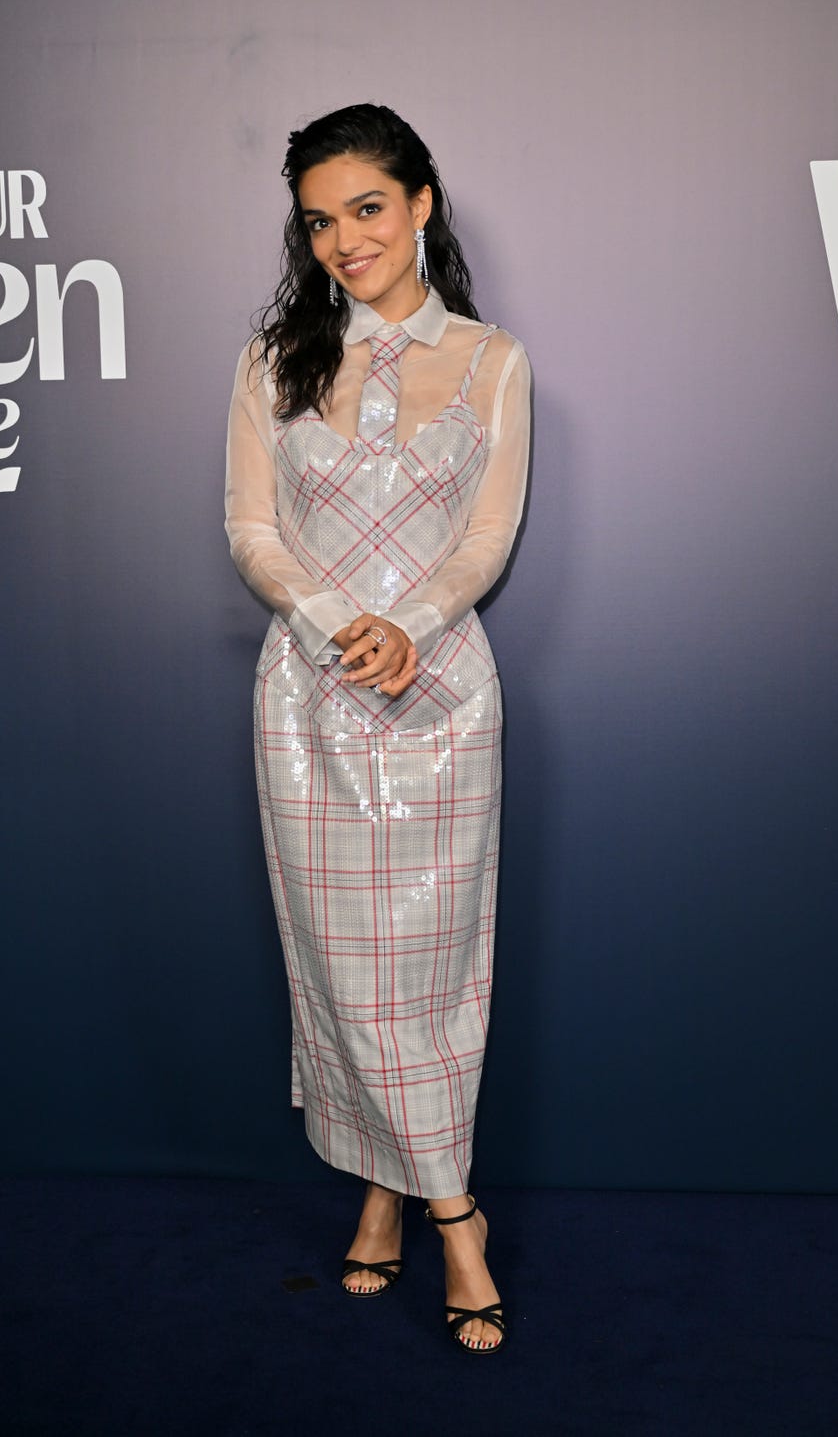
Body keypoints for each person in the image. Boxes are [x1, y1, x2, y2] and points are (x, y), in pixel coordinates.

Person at [225, 104, 530, 1354]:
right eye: (318, 220)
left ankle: (405, 1193)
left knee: (436, 966)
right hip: (308, 700)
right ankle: (432, 1202)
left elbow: (483, 538)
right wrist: (334, 623)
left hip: (443, 698)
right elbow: (251, 530)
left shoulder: (493, 360)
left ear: (419, 202)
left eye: (364, 207)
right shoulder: (269, 359)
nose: (343, 239)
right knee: (339, 967)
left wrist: (407, 626)